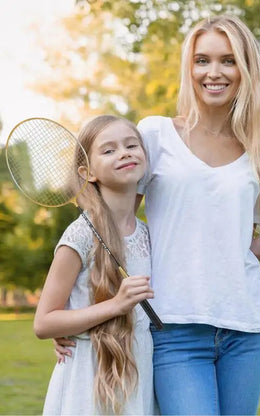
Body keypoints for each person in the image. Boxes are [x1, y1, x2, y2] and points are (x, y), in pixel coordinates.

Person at [55, 14, 260, 416]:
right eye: (202, 61)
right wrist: (78, 312)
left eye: (228, 60)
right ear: (189, 68)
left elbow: (228, 250)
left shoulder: (258, 151)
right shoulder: (156, 136)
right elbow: (114, 231)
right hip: (175, 330)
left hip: (248, 329)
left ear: (244, 68)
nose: (214, 72)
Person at [34, 115, 156, 415]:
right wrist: (116, 305)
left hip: (138, 371)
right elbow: (44, 322)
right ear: (87, 172)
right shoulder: (81, 234)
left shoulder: (149, 234)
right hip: (88, 379)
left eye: (131, 145)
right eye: (109, 150)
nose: (124, 153)